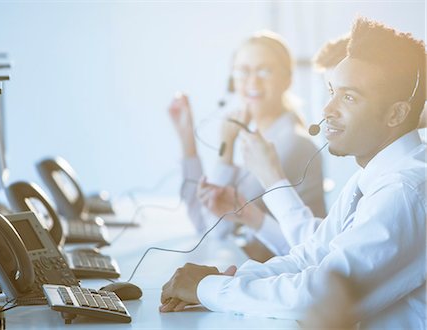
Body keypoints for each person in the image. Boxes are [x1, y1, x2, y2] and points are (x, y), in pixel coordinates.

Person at [160, 17, 426, 329]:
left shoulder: (404, 191)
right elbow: (308, 257)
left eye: (349, 97)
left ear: (396, 113)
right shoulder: (369, 177)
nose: (328, 109)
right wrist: (220, 281)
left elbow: (318, 293)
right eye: (332, 92)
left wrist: (208, 288)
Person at [168, 31, 325, 259]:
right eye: (243, 71)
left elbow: (216, 227)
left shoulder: (290, 144)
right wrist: (187, 139)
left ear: (287, 80)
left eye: (264, 70)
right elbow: (203, 219)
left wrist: (226, 148)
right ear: (232, 82)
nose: (252, 81)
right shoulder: (257, 134)